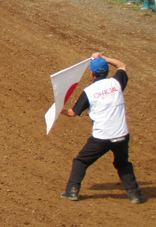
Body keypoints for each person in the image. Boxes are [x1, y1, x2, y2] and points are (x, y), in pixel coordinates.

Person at [60, 52, 146, 204]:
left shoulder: (89, 92)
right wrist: (104, 58)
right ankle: (135, 194)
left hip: (101, 138)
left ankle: (72, 191)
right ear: (106, 71)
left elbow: (72, 113)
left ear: (92, 73)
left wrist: (59, 110)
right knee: (122, 164)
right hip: (122, 135)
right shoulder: (116, 83)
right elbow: (122, 65)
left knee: (81, 161)